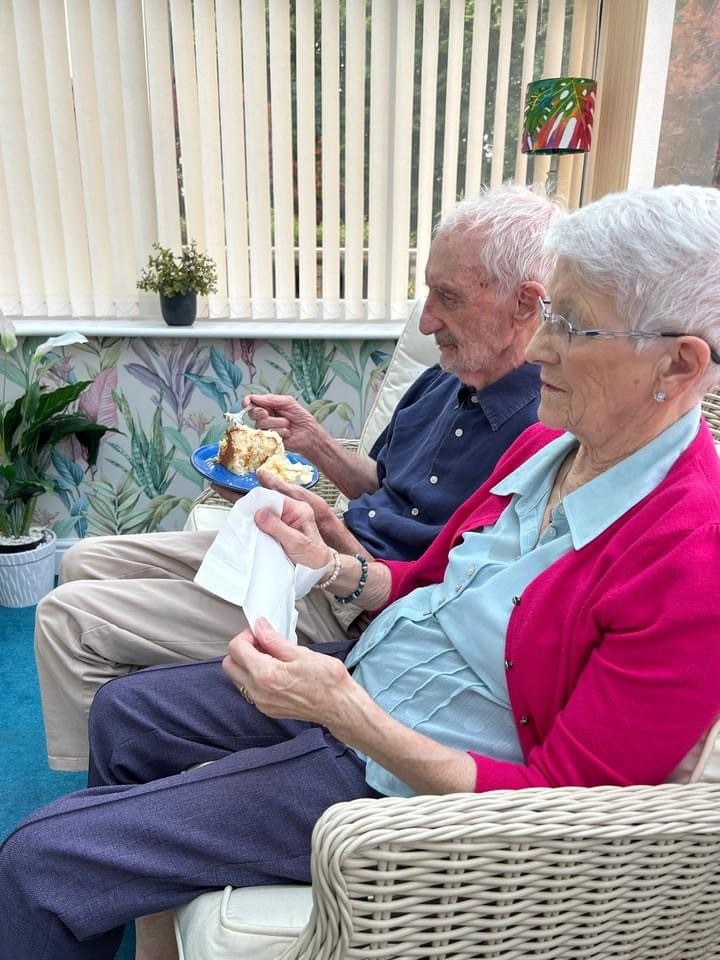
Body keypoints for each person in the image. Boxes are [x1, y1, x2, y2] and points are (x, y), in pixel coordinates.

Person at [3, 182, 720, 960]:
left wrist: (345, 711)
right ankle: (146, 925)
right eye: (549, 317)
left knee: (39, 863)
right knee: (126, 713)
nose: (541, 348)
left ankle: (95, 877)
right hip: (373, 676)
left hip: (409, 778)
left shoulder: (692, 559)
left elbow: (568, 813)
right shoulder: (550, 445)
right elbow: (426, 582)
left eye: (571, 327)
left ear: (678, 364)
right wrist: (335, 565)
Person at [34, 183, 563, 772]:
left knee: (68, 619)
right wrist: (313, 440)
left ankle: (99, 782)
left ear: (525, 303)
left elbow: (463, 593)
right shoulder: (446, 377)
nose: (429, 318)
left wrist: (335, 550)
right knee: (81, 561)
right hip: (314, 549)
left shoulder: (545, 434)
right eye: (427, 294)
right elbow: (379, 483)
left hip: (350, 597)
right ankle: (139, 737)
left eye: (447, 297)